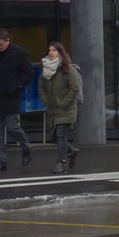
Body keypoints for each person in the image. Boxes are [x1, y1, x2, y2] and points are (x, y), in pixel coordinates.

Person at [0, 28, 33, 171]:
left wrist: (18, 86)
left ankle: (26, 148)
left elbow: (28, 73)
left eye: (1, 45)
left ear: (8, 41)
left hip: (11, 97)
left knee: (13, 127)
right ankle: (1, 160)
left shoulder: (20, 53)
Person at [38, 41, 80, 173]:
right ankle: (71, 151)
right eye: (49, 50)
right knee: (55, 136)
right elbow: (41, 87)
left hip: (66, 109)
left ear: (60, 53)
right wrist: (46, 101)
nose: (51, 52)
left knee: (61, 135)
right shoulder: (46, 69)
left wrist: (63, 102)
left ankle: (61, 162)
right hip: (53, 109)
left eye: (54, 50)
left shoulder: (68, 69)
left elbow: (74, 88)